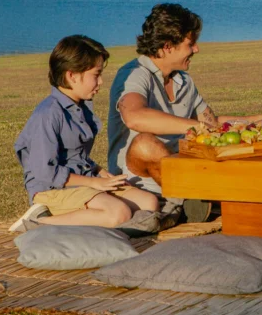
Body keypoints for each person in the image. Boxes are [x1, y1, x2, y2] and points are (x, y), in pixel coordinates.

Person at [107, 4, 262, 205]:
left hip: (184, 169)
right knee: (144, 145)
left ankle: (198, 197)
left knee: (232, 147)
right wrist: (193, 126)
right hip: (141, 182)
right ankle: (189, 200)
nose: (197, 49)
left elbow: (213, 124)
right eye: (190, 44)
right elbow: (134, 117)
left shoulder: (183, 81)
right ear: (168, 46)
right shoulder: (134, 74)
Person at [11, 35, 158, 232]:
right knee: (119, 213)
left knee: (149, 203)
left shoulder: (79, 108)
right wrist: (95, 183)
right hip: (50, 190)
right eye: (96, 75)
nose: (101, 82)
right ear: (72, 76)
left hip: (82, 181)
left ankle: (102, 228)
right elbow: (45, 172)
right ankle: (36, 223)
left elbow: (75, 156)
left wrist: (98, 172)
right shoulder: (47, 115)